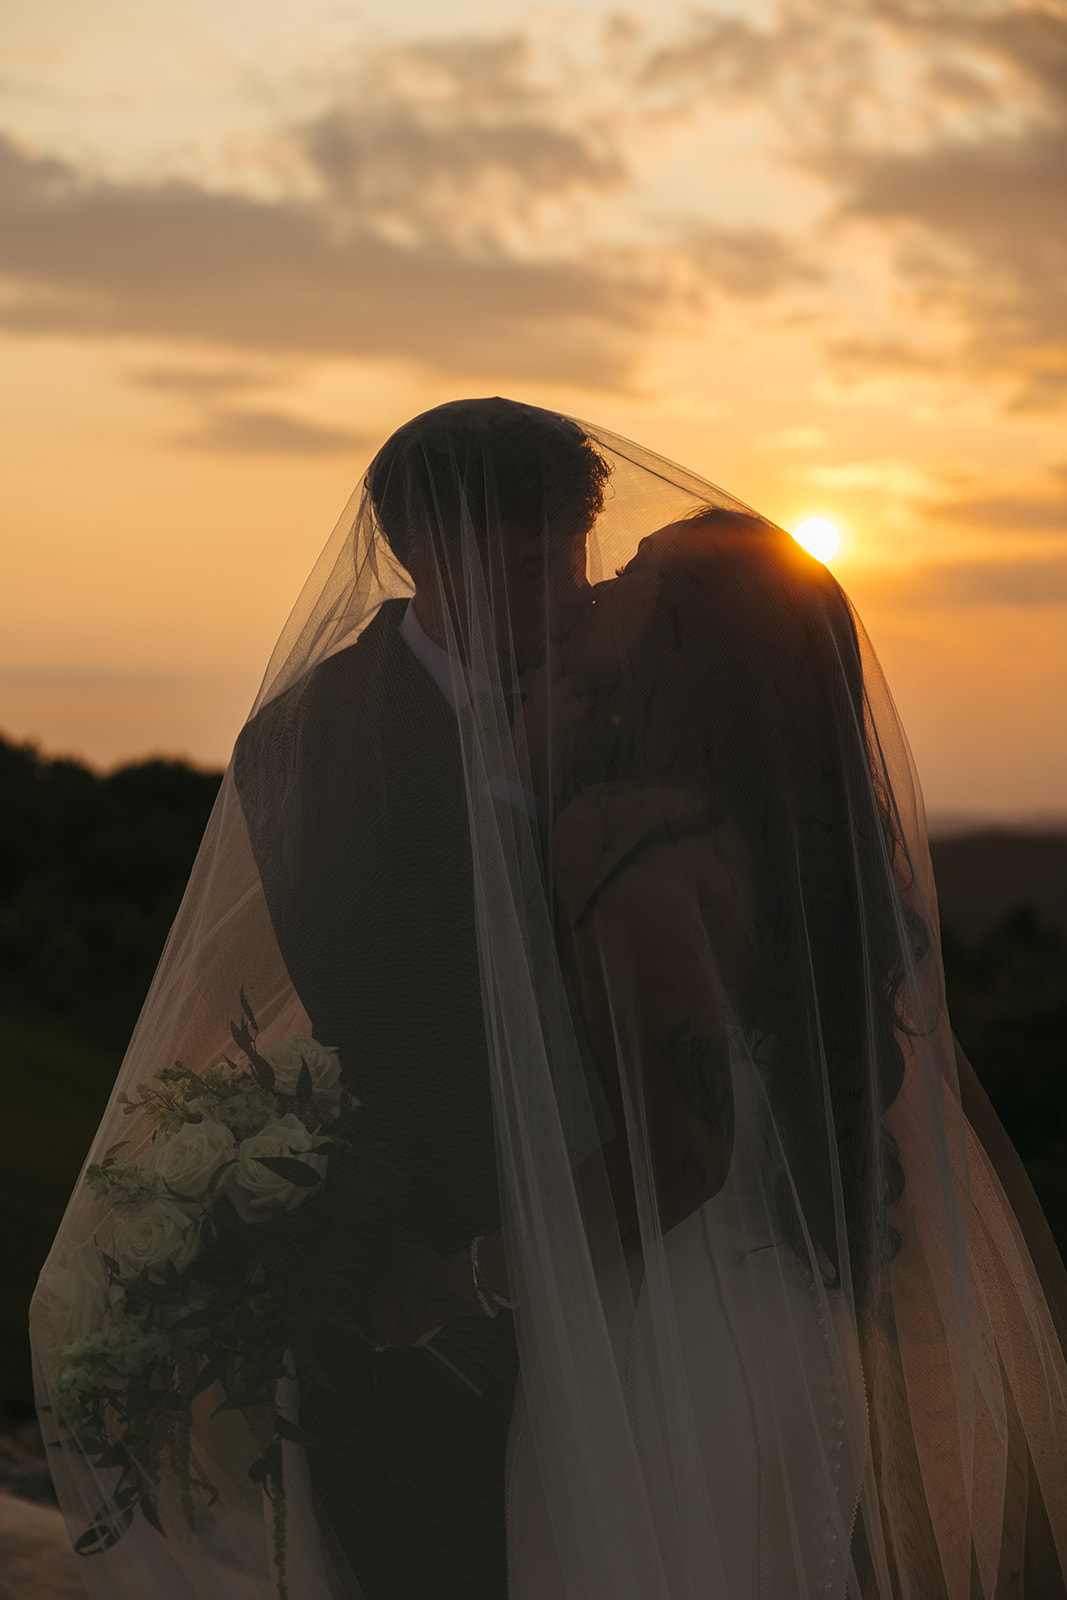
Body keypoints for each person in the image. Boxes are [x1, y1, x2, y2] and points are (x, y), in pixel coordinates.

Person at [30, 404, 1067, 1600]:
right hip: (443, 1287)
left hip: (644, 1287)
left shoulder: (645, 722)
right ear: (424, 550)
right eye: (531, 566)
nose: (572, 593)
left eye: (582, 553)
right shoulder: (310, 739)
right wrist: (442, 1278)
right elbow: (399, 1019)